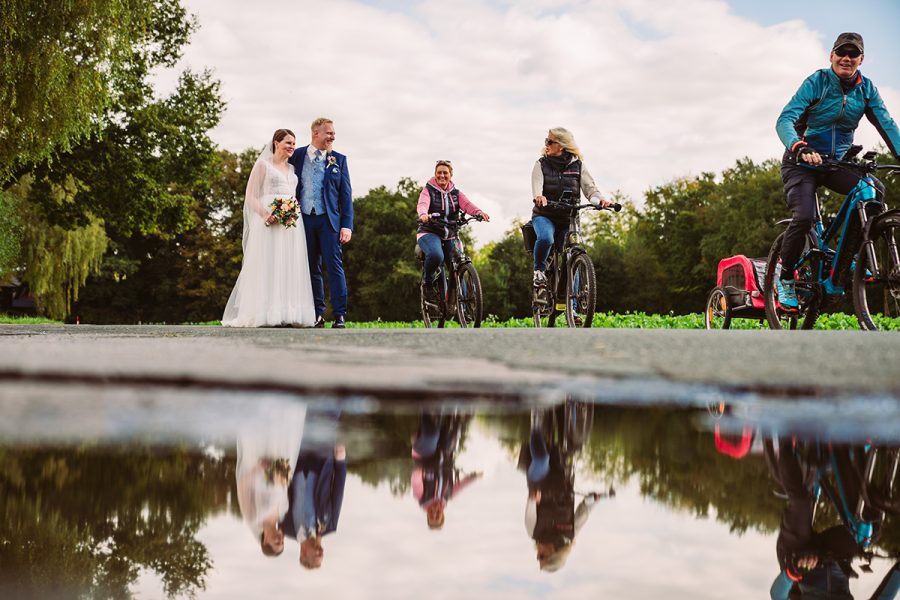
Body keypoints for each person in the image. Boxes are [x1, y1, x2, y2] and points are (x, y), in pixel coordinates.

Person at [774, 32, 900, 310]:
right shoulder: (816, 83)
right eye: (841, 52)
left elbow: (887, 125)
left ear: (861, 59)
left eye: (853, 54)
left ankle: (849, 257)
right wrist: (798, 146)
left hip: (836, 162)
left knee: (873, 190)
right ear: (831, 56)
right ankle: (784, 279)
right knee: (804, 216)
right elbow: (785, 119)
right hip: (801, 161)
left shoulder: (866, 89)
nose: (846, 58)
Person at [222, 129, 316, 327]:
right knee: (269, 262)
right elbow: (250, 196)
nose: (292, 146)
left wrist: (292, 211)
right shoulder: (263, 165)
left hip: (290, 224)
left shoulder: (292, 169)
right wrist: (266, 214)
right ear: (276, 142)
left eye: (293, 143)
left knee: (288, 264)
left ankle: (287, 313)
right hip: (269, 221)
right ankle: (265, 313)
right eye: (288, 143)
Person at [288, 118, 353, 329]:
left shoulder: (339, 160)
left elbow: (346, 196)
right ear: (316, 133)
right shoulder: (296, 156)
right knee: (310, 268)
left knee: (334, 267)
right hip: (303, 219)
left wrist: (347, 225)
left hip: (329, 221)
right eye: (329, 133)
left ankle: (340, 314)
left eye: (333, 133)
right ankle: (317, 314)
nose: (333, 137)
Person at [530, 127, 612, 287]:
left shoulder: (578, 165)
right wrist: (539, 196)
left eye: (549, 141)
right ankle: (539, 272)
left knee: (572, 256)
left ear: (561, 145)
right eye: (546, 140)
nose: (546, 144)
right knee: (546, 238)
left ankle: (572, 308)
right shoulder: (541, 164)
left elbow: (590, 189)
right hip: (544, 215)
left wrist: (600, 199)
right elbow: (537, 185)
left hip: (569, 219)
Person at [235, 403, 307, 556]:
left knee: (260, 427)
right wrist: (283, 471)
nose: (280, 539)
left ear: (265, 540)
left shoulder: (253, 518)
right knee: (283, 428)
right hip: (279, 458)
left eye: (276, 542)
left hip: (259, 460)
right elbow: (283, 486)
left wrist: (258, 468)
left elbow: (242, 486)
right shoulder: (282, 512)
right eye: (282, 542)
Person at [417, 160, 489, 298]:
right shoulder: (428, 191)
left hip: (450, 234)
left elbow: (467, 204)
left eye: (445, 173)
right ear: (435, 174)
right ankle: (428, 283)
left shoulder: (456, 193)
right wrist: (423, 214)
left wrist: (479, 212)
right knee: (437, 255)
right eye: (439, 172)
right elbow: (423, 204)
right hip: (429, 232)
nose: (442, 175)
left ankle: (464, 308)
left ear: (451, 175)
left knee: (457, 264)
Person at [279, 438, 347, 569]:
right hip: (321, 459)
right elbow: (338, 490)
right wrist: (341, 461)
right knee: (327, 420)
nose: (321, 552)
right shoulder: (329, 526)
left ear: (303, 554)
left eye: (316, 555)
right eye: (322, 555)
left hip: (293, 458)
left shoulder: (284, 529)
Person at [410, 411, 482, 530]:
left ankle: (427, 408)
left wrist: (420, 472)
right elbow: (462, 485)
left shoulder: (421, 498)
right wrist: (475, 477)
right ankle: (452, 411)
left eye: (431, 517)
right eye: (437, 516)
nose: (434, 514)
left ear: (427, 515)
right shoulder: (447, 496)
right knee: (452, 432)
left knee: (432, 435)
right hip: (444, 455)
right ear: (442, 515)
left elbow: (416, 480)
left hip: (424, 457)